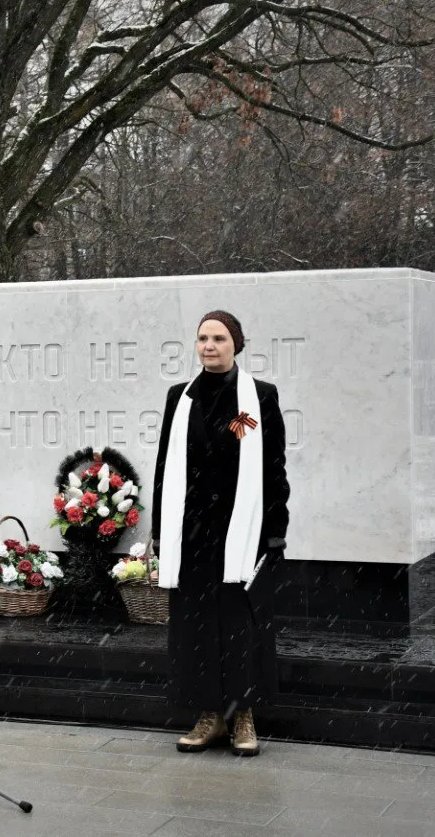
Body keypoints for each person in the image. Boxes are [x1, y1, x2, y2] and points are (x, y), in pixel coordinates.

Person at [152, 311, 290, 757]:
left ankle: (244, 716)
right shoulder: (181, 397)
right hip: (192, 533)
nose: (209, 346)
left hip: (241, 532)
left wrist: (275, 532)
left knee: (240, 625)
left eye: (218, 338)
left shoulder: (258, 398)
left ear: (237, 344)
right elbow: (164, 469)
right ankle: (209, 715)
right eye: (202, 338)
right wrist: (160, 531)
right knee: (195, 627)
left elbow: (273, 469)